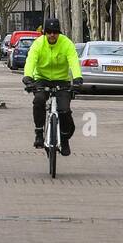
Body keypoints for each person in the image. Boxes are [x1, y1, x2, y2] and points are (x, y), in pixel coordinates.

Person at [21, 17, 83, 154]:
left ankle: (65, 139)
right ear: (44, 33)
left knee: (64, 111)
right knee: (38, 101)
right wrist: (27, 77)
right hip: (41, 79)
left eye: (55, 32)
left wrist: (78, 79)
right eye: (49, 32)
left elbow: (73, 61)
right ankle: (38, 133)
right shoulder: (38, 44)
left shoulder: (66, 43)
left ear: (59, 33)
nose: (52, 35)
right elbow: (31, 60)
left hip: (62, 80)